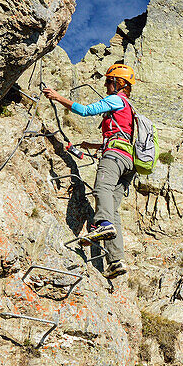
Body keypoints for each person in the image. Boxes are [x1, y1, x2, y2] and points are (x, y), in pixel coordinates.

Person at [43, 63, 140, 280]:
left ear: (118, 82)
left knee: (101, 189)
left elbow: (86, 111)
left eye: (108, 81)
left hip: (114, 156)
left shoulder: (117, 100)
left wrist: (58, 97)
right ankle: (116, 261)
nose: (106, 85)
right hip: (128, 162)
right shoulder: (130, 109)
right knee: (113, 211)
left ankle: (102, 225)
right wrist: (93, 145)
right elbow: (122, 135)